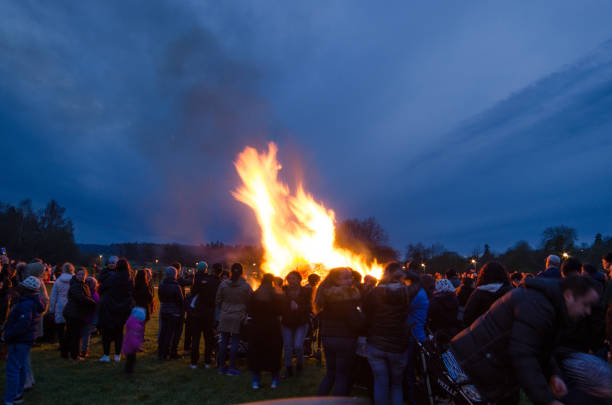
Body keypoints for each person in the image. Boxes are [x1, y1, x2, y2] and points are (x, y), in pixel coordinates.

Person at [448, 276, 601, 405]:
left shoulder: (547, 305)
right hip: (469, 365)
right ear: (568, 296)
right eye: (585, 304)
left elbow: (540, 348)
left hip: (482, 365)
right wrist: (547, 399)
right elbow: (524, 354)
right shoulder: (538, 306)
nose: (588, 311)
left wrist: (553, 374)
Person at [363, 263, 421, 405]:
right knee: (396, 385)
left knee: (380, 383)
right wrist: (405, 272)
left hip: (376, 344)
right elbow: (418, 280)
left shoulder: (375, 292)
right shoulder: (407, 292)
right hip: (398, 346)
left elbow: (365, 313)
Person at [315, 267, 362, 396]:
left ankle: (319, 400)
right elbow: (353, 319)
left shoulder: (325, 294)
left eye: (350, 277)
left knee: (330, 373)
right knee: (342, 375)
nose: (350, 280)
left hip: (328, 337)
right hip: (345, 338)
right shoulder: (347, 295)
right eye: (346, 277)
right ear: (336, 280)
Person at [3, 277, 44, 405]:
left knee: (12, 369)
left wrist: (8, 335)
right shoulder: (33, 301)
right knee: (20, 367)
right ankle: (17, 394)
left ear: (27, 289)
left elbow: (22, 324)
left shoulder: (26, 304)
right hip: (26, 340)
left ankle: (9, 399)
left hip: (19, 340)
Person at [216, 263, 252, 375]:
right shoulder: (246, 286)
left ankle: (222, 367)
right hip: (238, 316)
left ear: (231, 272)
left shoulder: (223, 284)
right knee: (235, 342)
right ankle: (231, 368)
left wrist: (223, 308)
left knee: (223, 342)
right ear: (242, 272)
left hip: (225, 315)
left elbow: (217, 300)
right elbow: (250, 301)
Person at [248, 273, 283, 390]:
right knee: (274, 354)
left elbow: (250, 311)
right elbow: (280, 311)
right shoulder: (276, 294)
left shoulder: (255, 293)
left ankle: (255, 382)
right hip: (273, 328)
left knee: (256, 354)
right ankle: (274, 381)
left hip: (257, 328)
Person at [97, 258, 134, 363]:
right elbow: (131, 293)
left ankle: (106, 355)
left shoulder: (112, 278)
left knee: (106, 333)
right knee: (119, 332)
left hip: (109, 307)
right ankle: (117, 355)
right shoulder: (130, 279)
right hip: (123, 309)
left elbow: (101, 289)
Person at [190, 262, 221, 369]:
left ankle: (193, 362)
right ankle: (207, 362)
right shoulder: (219, 283)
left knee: (196, 339)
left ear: (212, 270)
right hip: (210, 313)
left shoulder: (204, 280)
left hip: (198, 312)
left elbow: (194, 292)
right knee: (208, 339)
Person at [404, 270, 429, 405]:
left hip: (413, 337)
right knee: (412, 370)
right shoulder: (420, 292)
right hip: (416, 336)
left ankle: (412, 399)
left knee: (409, 371)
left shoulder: (415, 295)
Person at [280, 271, 311, 378]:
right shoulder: (284, 291)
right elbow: (279, 306)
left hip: (301, 322)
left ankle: (299, 366)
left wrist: (298, 308)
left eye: (294, 278)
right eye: (289, 279)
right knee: (287, 347)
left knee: (298, 345)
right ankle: (288, 369)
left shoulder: (306, 291)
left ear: (299, 279)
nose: (291, 281)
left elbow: (310, 308)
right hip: (287, 323)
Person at [463, 261, 512, 328]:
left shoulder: (478, 293)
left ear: (483, 275)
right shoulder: (510, 292)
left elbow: (467, 317)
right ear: (503, 274)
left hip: (481, 332)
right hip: (504, 333)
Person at [62, 267, 96, 360]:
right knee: (75, 335)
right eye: (79, 274)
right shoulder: (76, 285)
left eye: (83, 274)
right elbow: (81, 298)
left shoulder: (83, 284)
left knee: (69, 334)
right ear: (76, 275)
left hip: (75, 312)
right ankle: (74, 355)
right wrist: (93, 302)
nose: (81, 276)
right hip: (74, 313)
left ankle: (65, 353)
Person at [158, 266, 184, 361]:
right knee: (170, 334)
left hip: (164, 310)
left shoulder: (161, 284)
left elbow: (160, 297)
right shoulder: (176, 286)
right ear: (175, 275)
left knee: (163, 332)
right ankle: (165, 354)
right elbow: (180, 300)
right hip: (173, 312)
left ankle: (160, 352)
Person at [49, 263, 73, 356]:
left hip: (60, 304)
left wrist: (52, 308)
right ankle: (70, 344)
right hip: (71, 304)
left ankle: (62, 344)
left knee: (60, 327)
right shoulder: (74, 280)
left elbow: (53, 296)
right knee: (70, 326)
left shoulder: (58, 281)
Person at [122, 306, 146, 376]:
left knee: (130, 360)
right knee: (131, 361)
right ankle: (128, 373)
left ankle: (128, 371)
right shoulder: (136, 326)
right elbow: (134, 339)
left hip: (127, 345)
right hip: (131, 347)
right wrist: (138, 347)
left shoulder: (131, 322)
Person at [80, 276, 99, 357]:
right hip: (90, 317)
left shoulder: (85, 293)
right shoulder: (95, 294)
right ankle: (84, 350)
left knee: (83, 335)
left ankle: (82, 350)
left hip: (85, 317)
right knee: (86, 335)